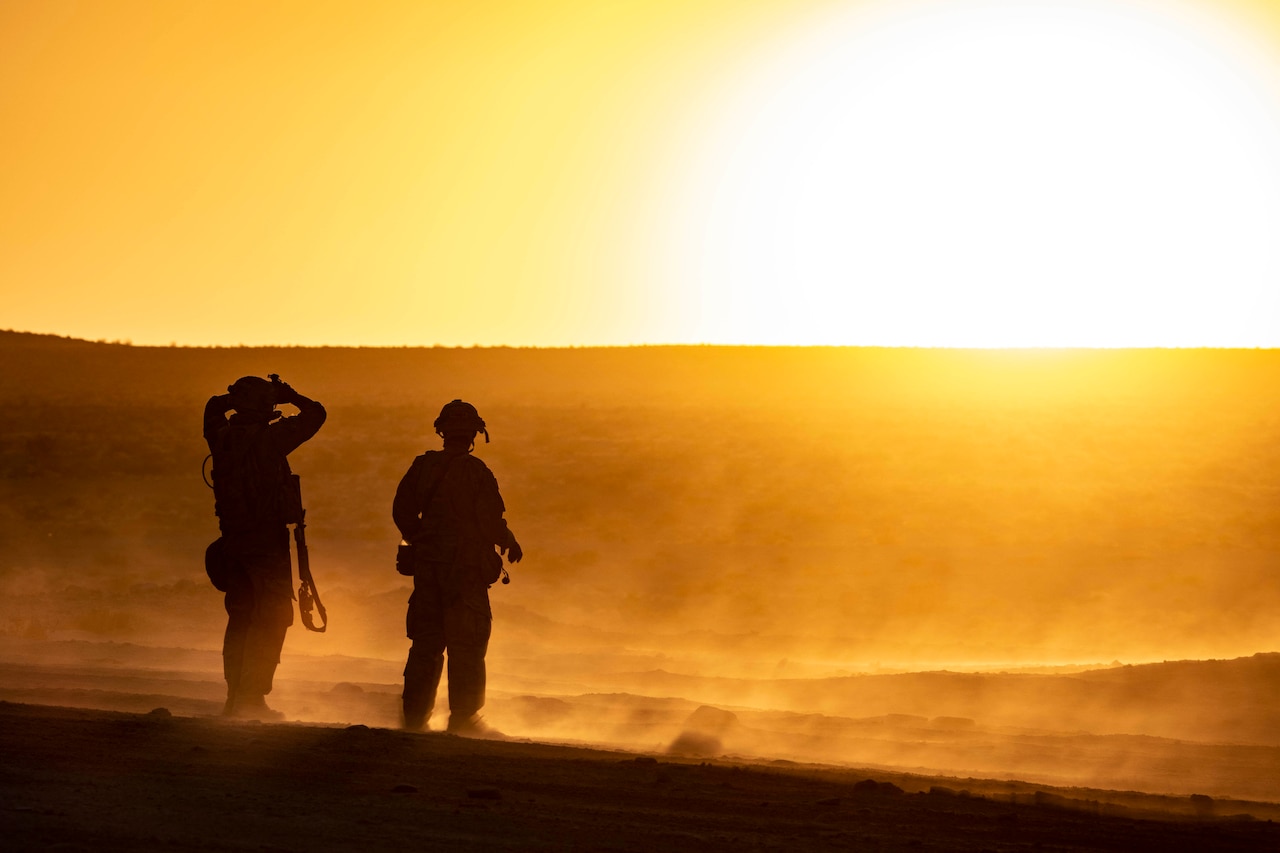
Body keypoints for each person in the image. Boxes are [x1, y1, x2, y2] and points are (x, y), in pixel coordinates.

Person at [393, 399, 523, 736]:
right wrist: (508, 540)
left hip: (428, 568)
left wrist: (422, 539)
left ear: (442, 431)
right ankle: (463, 719)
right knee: (467, 643)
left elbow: (402, 510)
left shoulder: (422, 467)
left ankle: (414, 719)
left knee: (426, 643)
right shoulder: (476, 471)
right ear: (474, 435)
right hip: (465, 570)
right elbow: (490, 518)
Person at [204, 374, 326, 720]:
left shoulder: (221, 438)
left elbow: (213, 408)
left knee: (241, 618)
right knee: (272, 619)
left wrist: (239, 398)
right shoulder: (270, 440)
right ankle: (251, 699)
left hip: (233, 544)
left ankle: (235, 697)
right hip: (265, 547)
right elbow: (316, 414)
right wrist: (291, 395)